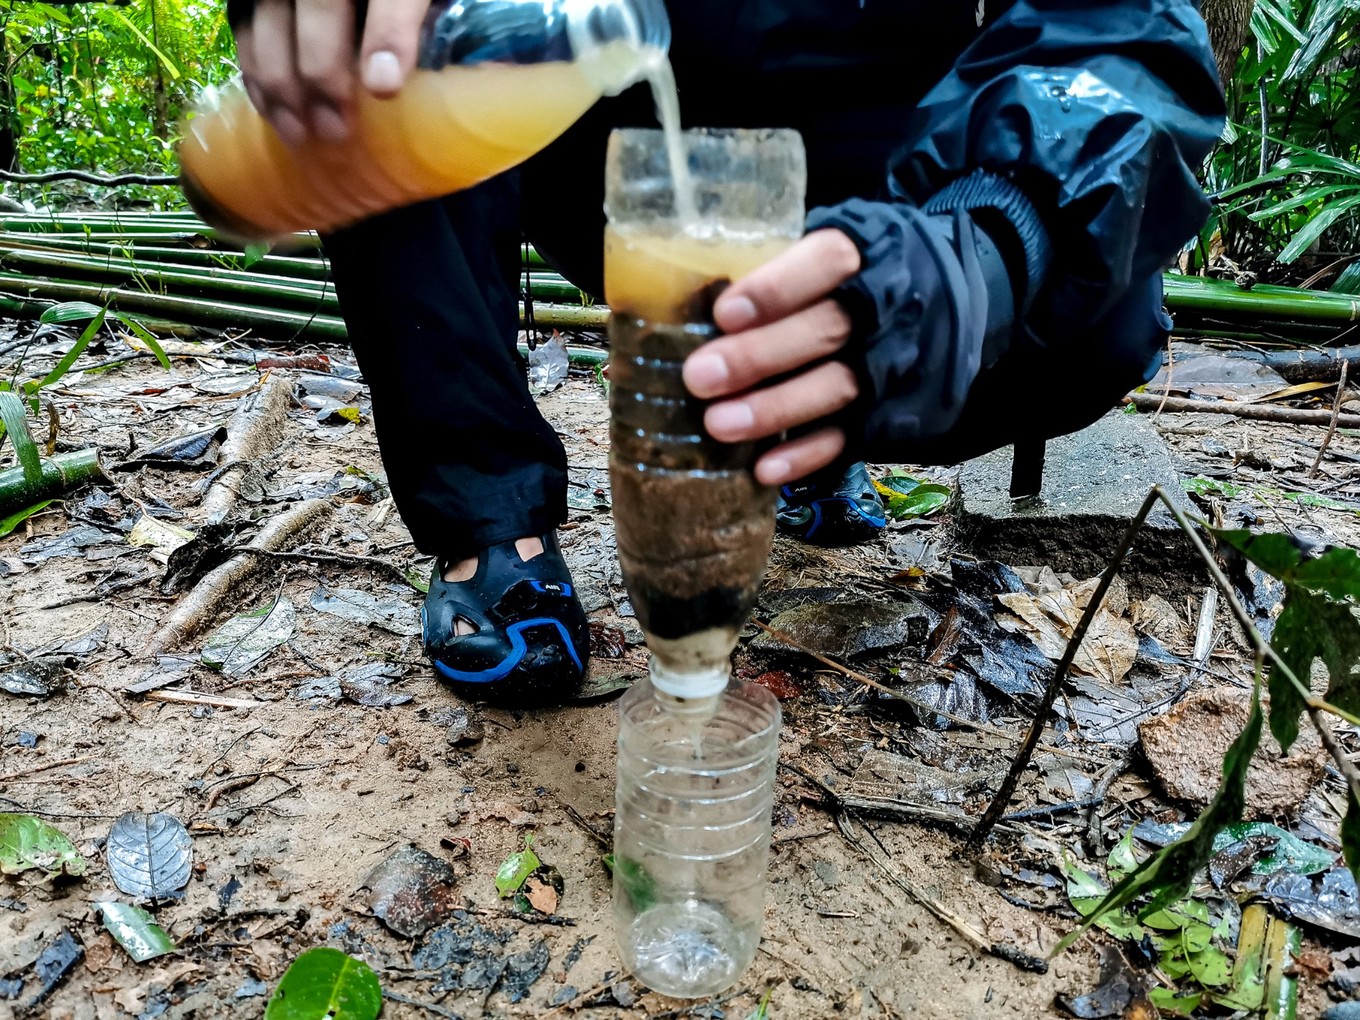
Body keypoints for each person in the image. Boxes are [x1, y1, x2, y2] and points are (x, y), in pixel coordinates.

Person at [223, 0, 1225, 703]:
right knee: (379, 54)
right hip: (598, 106)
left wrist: (991, 234)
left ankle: (821, 432)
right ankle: (491, 528)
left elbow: (1127, 30)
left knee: (1093, 304)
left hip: (891, 135)